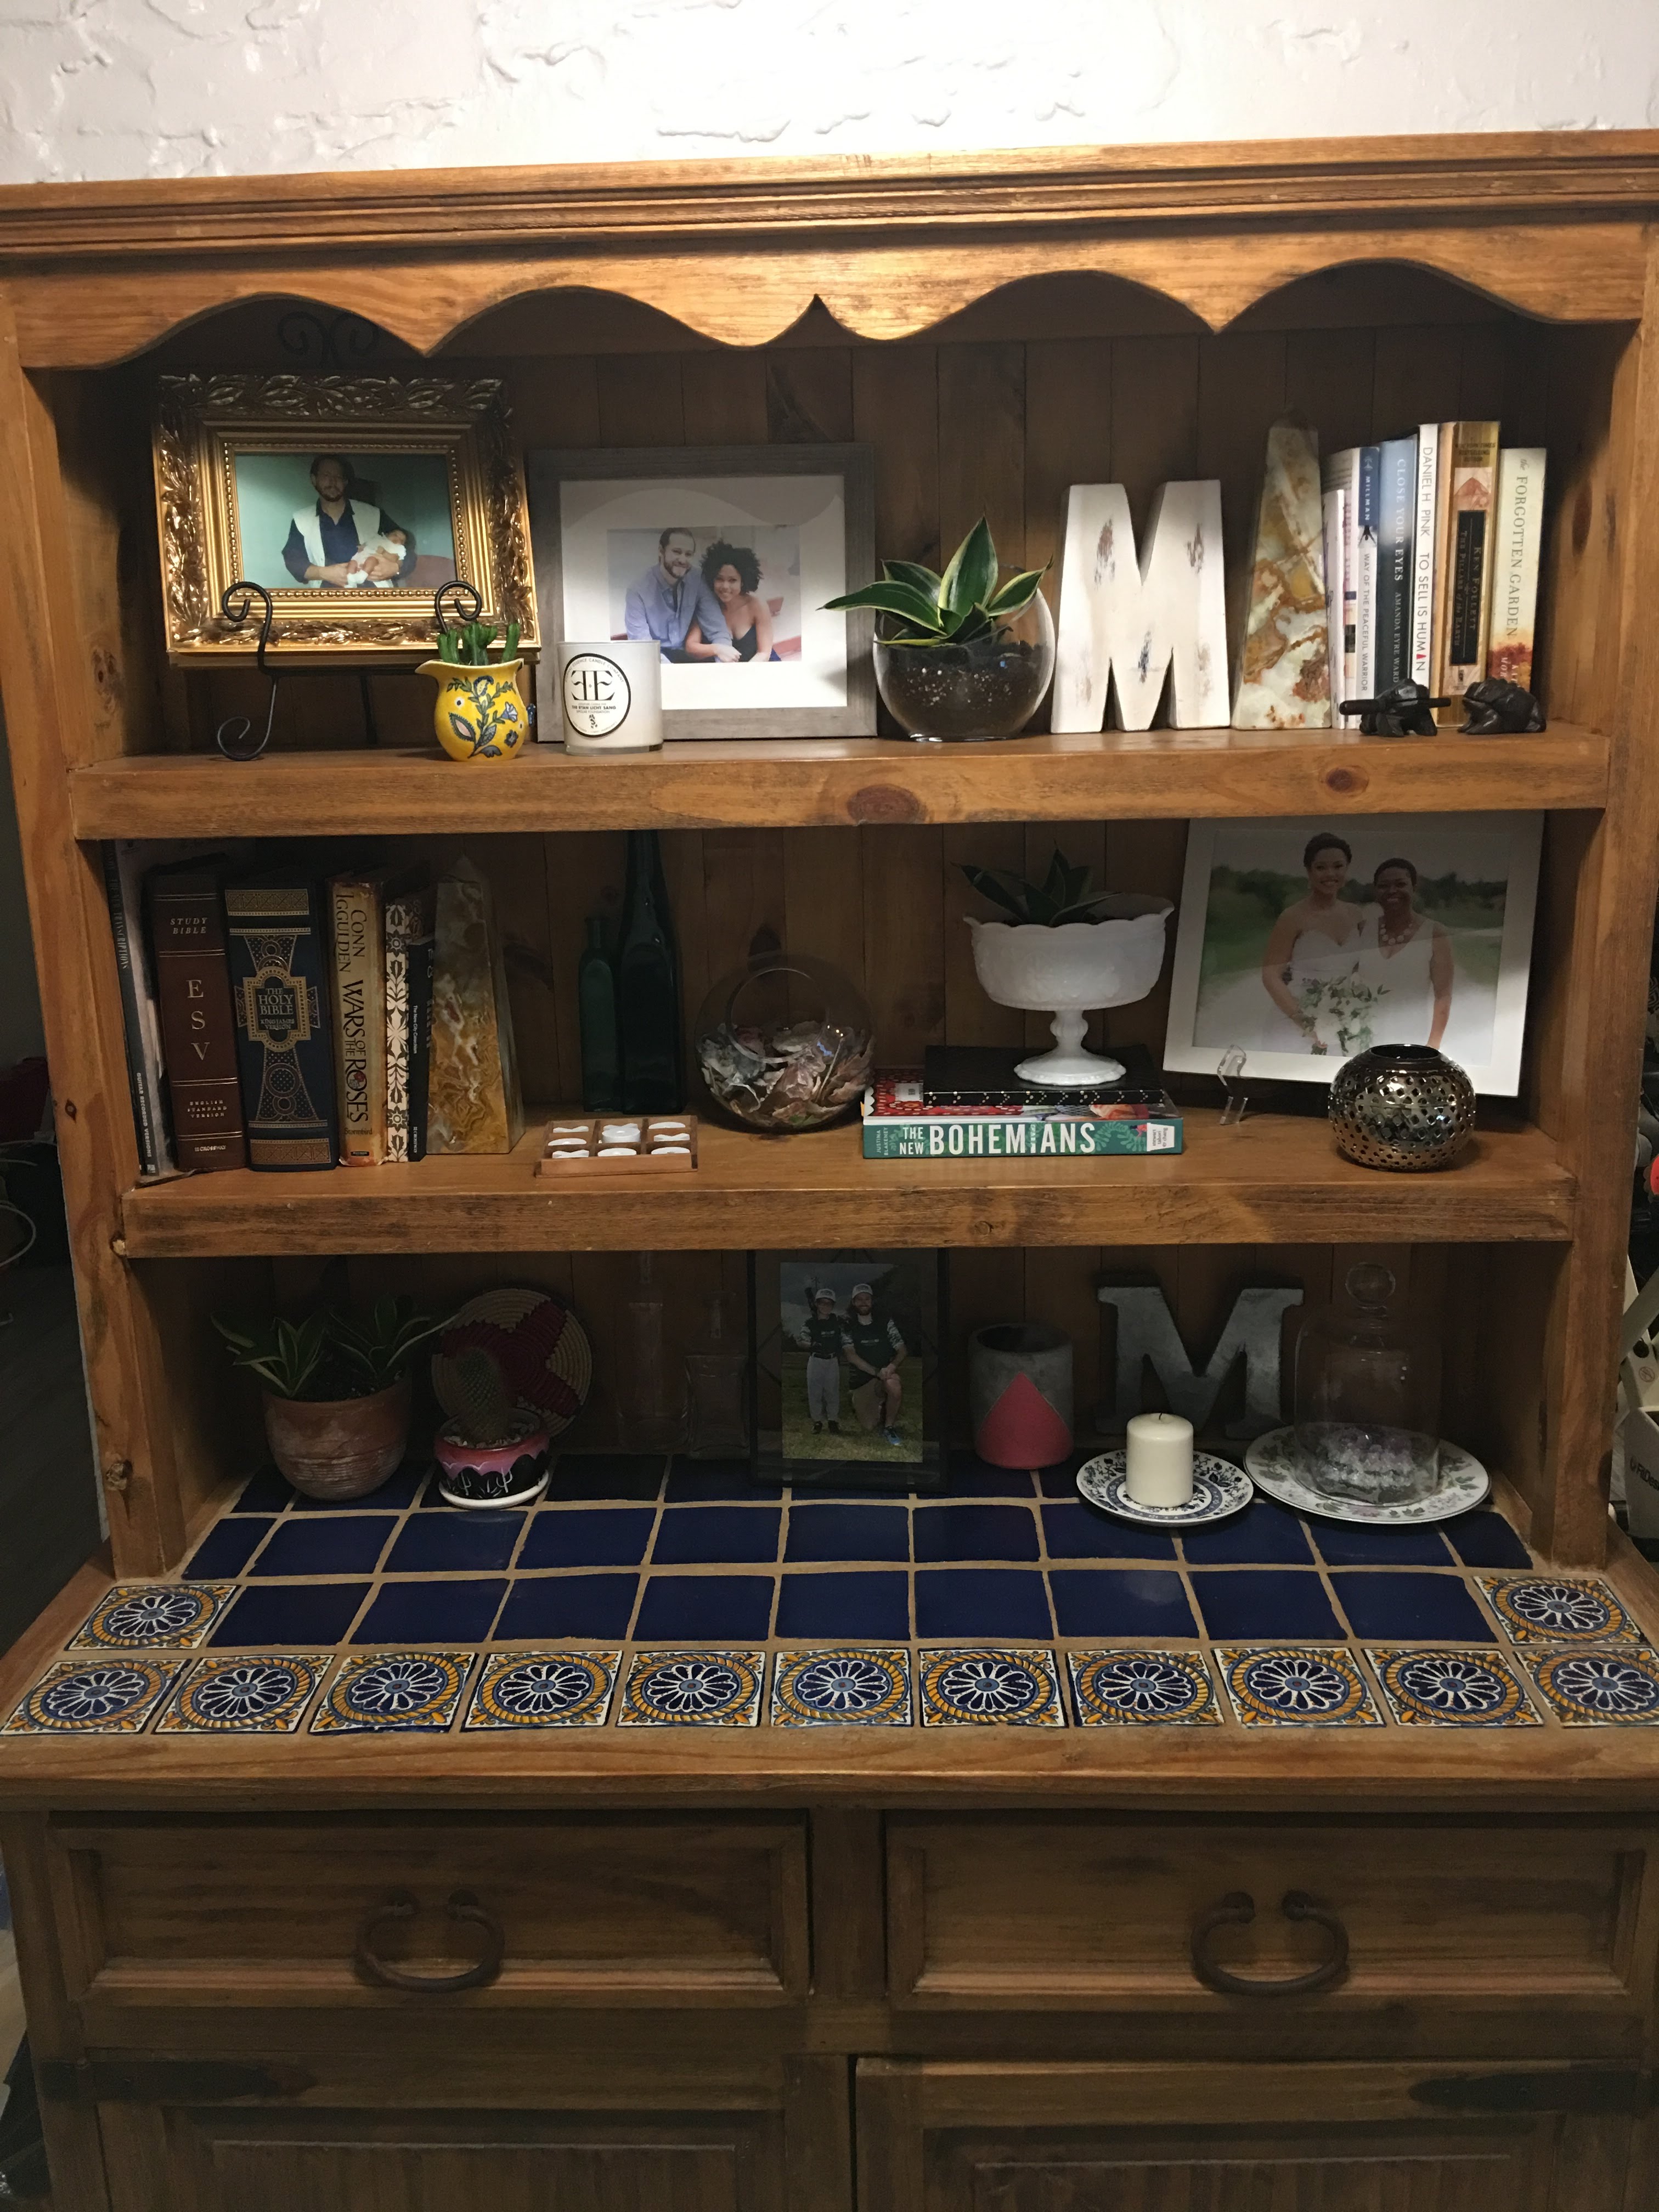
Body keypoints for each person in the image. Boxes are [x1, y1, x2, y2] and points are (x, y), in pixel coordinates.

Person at [1259, 832, 1373, 1054]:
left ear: (1347, 869)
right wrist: (1307, 1024)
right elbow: (1270, 975)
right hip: (1296, 1022)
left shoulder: (1356, 915)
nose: (1330, 874)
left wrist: (1355, 1009)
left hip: (1342, 1022)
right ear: (1309, 871)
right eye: (1321, 868)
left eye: (1338, 866)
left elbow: (1360, 970)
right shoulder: (1293, 917)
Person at [1358, 856, 1454, 1047]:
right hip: (1363, 1038)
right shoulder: (1362, 930)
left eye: (1400, 884)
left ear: (1414, 887)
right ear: (1375, 891)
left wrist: (1432, 1047)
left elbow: (1443, 996)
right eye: (1384, 886)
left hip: (1412, 1039)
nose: (1392, 890)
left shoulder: (1434, 933)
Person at [280, 454, 413, 588]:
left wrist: (395, 568)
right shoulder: (302, 520)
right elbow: (293, 560)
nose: (333, 482)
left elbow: (407, 550)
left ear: (345, 482)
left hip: (372, 595)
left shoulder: (373, 514)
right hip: (327, 596)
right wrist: (323, 573)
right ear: (314, 480)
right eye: (326, 475)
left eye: (338, 477)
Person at [624, 527, 737, 662]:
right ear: (661, 551)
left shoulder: (698, 580)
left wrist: (724, 665)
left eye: (688, 554)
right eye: (677, 552)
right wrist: (674, 673)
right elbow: (643, 648)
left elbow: (718, 631)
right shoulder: (638, 590)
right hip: (656, 658)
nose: (683, 560)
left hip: (687, 657)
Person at [685, 540, 777, 662]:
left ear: (743, 582)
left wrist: (743, 673)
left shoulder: (757, 605)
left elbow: (764, 653)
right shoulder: (707, 605)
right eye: (719, 579)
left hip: (759, 667)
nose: (725, 586)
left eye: (732, 580)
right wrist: (717, 649)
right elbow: (691, 647)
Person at [842, 1282, 906, 1449]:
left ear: (872, 1301)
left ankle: (889, 1427)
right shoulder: (847, 1325)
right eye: (859, 1299)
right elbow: (851, 1356)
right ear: (853, 1302)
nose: (864, 1302)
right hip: (861, 1381)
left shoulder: (885, 1322)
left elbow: (902, 1350)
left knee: (894, 1384)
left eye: (867, 1299)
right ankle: (869, 1403)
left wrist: (892, 1367)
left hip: (884, 1376)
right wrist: (877, 1372)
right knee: (869, 1426)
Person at [794, 1286, 845, 1434]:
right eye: (822, 1303)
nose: (825, 1306)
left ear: (833, 1306)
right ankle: (817, 1421)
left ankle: (833, 1421)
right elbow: (801, 1340)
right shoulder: (810, 1323)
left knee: (832, 1392)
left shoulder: (837, 1321)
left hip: (832, 1360)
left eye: (829, 1303)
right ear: (817, 1304)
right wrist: (811, 1345)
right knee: (815, 1392)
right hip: (816, 1360)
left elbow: (844, 1336)